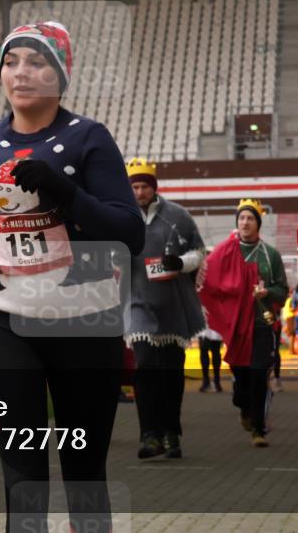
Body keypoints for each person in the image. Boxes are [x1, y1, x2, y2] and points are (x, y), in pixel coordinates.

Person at [0, 21, 143, 532]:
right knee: (21, 474)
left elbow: (129, 230)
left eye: (36, 62)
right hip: (3, 318)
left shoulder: (89, 139)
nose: (21, 74)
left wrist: (66, 193)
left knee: (84, 471)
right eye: (11, 63)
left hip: (83, 317)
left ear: (60, 74)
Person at [124, 157, 205, 459]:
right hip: (137, 303)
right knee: (145, 368)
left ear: (154, 187)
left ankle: (172, 433)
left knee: (171, 372)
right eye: (134, 186)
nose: (139, 192)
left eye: (144, 186)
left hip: (173, 304)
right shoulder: (122, 217)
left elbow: (198, 251)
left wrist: (181, 263)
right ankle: (149, 435)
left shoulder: (178, 216)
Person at [198, 199, 288, 448]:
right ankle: (243, 406)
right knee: (242, 381)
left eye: (249, 218)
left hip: (261, 323)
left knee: (260, 374)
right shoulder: (226, 251)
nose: (245, 222)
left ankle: (259, 429)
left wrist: (266, 293)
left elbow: (283, 291)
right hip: (236, 326)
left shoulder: (271, 255)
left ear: (258, 223)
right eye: (241, 218)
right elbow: (207, 280)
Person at [198, 328, 224, 393]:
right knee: (204, 353)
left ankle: (216, 381)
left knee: (215, 354)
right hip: (204, 328)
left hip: (215, 326)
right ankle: (206, 381)